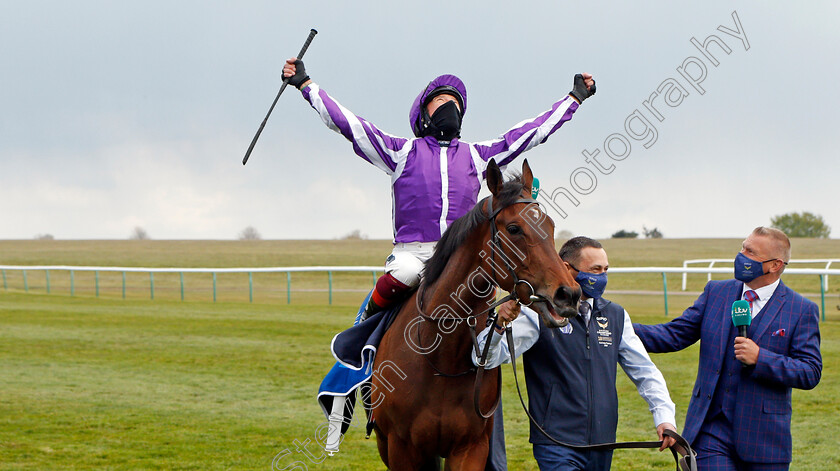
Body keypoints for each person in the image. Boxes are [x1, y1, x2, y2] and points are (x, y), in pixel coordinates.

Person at [282, 57, 596, 320]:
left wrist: (574, 99)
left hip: (463, 255)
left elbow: (529, 133)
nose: (452, 108)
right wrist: (307, 85)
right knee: (402, 275)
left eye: (456, 104)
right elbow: (348, 124)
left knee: (492, 293)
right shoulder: (401, 151)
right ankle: (363, 332)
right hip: (413, 254)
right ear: (424, 114)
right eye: (442, 102)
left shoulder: (477, 154)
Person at [474, 236, 677, 471]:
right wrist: (499, 325)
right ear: (567, 269)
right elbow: (484, 359)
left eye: (605, 269)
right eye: (595, 269)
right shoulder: (537, 314)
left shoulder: (616, 316)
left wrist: (664, 417)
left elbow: (645, 372)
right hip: (556, 445)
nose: (602, 277)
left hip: (603, 444)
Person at [632, 227, 822, 471]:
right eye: (742, 247)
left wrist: (760, 358)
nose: (740, 255)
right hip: (711, 433)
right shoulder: (716, 292)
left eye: (750, 252)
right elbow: (673, 335)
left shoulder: (801, 309)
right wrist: (621, 328)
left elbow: (810, 371)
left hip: (766, 440)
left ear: (774, 265)